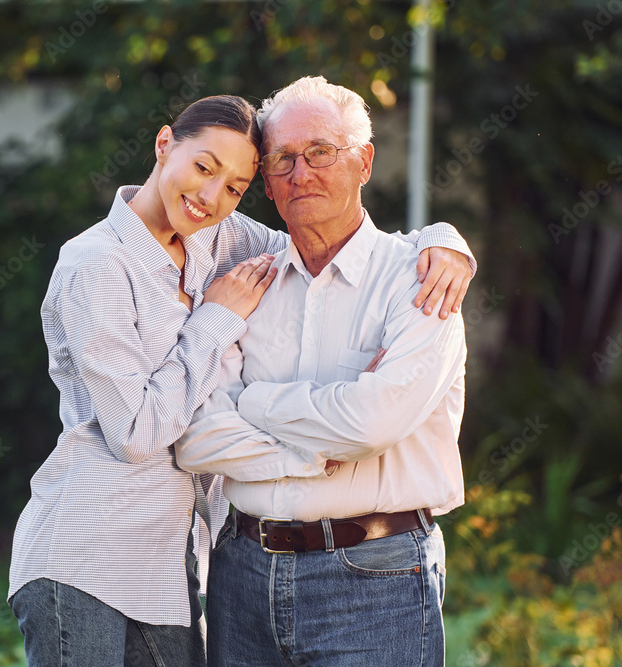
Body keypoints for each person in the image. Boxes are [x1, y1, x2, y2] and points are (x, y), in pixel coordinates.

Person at [8, 94, 474, 667]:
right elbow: (144, 434)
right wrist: (217, 324)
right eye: (204, 167)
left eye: (233, 187)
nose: (210, 197)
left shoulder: (217, 241)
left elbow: (327, 236)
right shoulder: (96, 265)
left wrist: (445, 243)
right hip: (86, 553)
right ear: (163, 144)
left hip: (170, 569)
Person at [175, 76, 468, 667]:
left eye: (320, 153)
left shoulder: (421, 279)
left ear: (363, 162)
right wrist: (319, 436)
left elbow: (370, 423)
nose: (300, 173)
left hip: (375, 578)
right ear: (264, 181)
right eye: (282, 158)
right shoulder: (243, 283)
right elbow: (196, 433)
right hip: (241, 574)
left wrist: (253, 402)